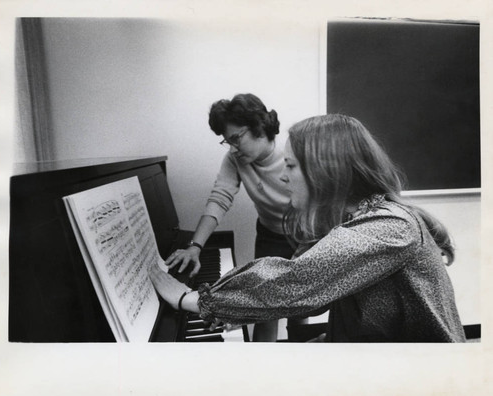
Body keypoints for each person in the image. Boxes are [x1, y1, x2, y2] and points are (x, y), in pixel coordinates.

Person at [152, 114, 466, 342]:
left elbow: (295, 280)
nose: (284, 177)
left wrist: (192, 300)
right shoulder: (357, 218)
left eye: (290, 165)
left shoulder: (387, 228)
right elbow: (321, 293)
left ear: (324, 171)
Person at [166, 93, 298, 342]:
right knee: (265, 309)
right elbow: (219, 198)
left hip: (307, 234)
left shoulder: (292, 151)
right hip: (271, 235)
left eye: (237, 138)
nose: (233, 148)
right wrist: (195, 247)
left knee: (301, 303)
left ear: (259, 126)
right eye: (227, 142)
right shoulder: (235, 159)